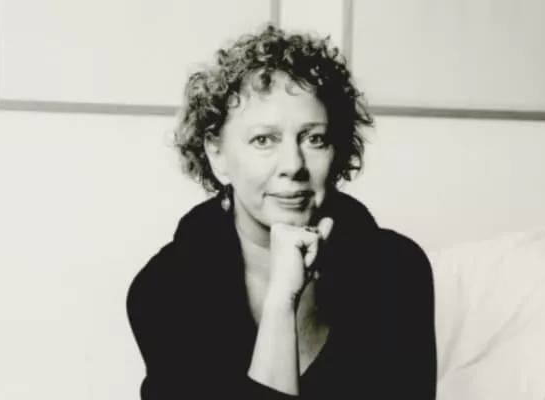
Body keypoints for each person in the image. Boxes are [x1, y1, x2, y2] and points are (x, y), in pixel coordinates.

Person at [126, 25, 437, 399]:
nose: (293, 165)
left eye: (314, 138)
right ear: (217, 154)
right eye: (264, 140)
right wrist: (281, 303)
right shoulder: (165, 290)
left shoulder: (396, 270)